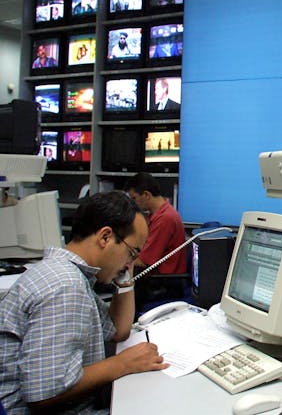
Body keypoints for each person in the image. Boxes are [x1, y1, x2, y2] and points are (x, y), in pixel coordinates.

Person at [0, 191, 168, 414]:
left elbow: (117, 330)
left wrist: (125, 277)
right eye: (132, 252)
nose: (132, 262)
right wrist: (122, 364)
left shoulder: (69, 274)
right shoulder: (66, 287)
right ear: (105, 237)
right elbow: (44, 393)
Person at [124, 172, 187, 302]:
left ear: (146, 195)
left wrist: (116, 258)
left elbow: (144, 261)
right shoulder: (157, 214)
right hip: (157, 280)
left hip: (162, 284)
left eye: (134, 198)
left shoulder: (165, 219)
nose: (133, 204)